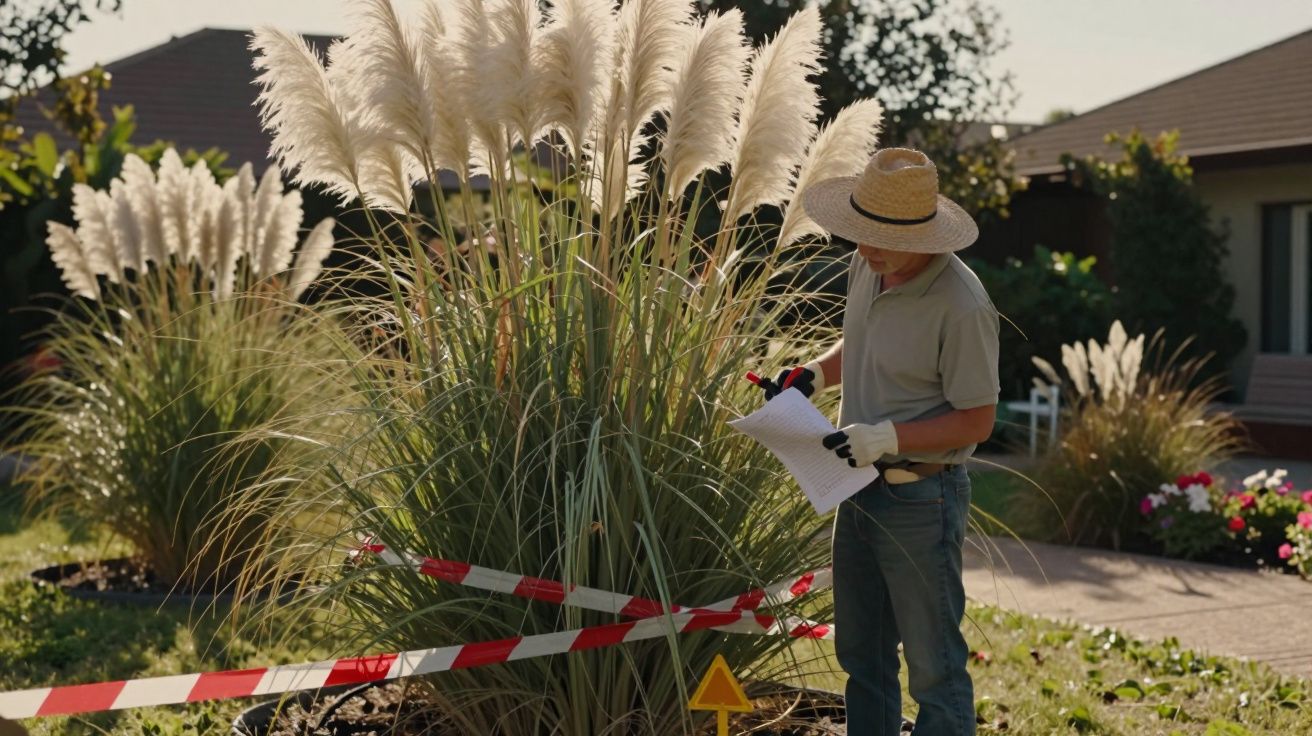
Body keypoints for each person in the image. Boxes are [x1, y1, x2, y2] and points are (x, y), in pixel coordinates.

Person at [755, 147, 999, 735]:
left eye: (878, 238)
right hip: (854, 489)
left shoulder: (963, 307)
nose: (863, 249)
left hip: (922, 501)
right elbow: (860, 344)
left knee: (934, 669)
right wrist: (812, 373)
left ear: (926, 235)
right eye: (859, 234)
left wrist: (888, 436)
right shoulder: (871, 265)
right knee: (860, 658)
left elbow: (977, 420)